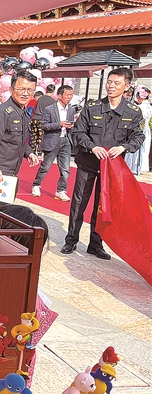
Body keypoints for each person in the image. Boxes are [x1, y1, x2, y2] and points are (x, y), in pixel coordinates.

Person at [61, 67, 144, 259]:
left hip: (112, 169)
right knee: (79, 202)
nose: (111, 86)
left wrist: (124, 147)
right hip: (88, 163)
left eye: (116, 83)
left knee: (103, 205)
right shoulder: (92, 107)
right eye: (109, 82)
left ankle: (96, 244)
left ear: (127, 86)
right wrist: (92, 147)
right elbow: (78, 132)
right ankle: (71, 240)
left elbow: (138, 137)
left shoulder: (133, 112)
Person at [0, 70, 40, 184]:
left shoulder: (23, 113)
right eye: (21, 89)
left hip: (12, 172)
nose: (25, 93)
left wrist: (29, 152)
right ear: (11, 89)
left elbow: (17, 139)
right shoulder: (2, 113)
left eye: (30, 90)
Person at [31, 85, 76, 201]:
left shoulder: (71, 110)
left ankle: (61, 190)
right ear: (60, 96)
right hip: (52, 140)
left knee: (65, 169)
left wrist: (71, 127)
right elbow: (44, 125)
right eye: (67, 95)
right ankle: (36, 185)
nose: (69, 97)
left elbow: (71, 125)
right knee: (45, 166)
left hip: (66, 140)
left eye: (71, 95)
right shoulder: (50, 109)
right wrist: (59, 124)